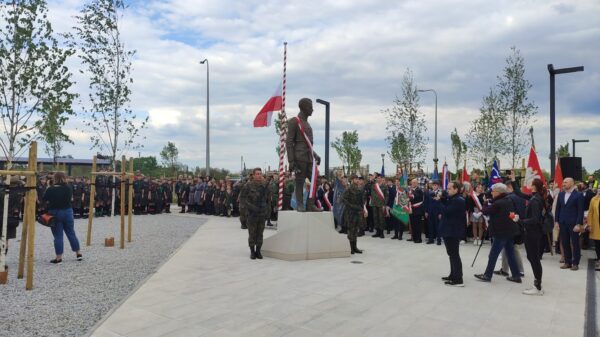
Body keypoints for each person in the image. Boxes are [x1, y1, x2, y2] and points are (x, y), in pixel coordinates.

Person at [474, 183, 522, 283]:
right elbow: (508, 212)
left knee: (493, 254)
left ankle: (487, 275)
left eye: (493, 191)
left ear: (499, 192)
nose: (491, 192)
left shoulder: (498, 203)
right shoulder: (508, 200)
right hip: (509, 231)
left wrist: (485, 203)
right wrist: (490, 201)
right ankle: (516, 275)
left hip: (501, 232)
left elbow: (485, 211)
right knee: (510, 253)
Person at [511, 177, 547, 295]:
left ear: (534, 186)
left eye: (530, 183)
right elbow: (519, 193)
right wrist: (513, 180)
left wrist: (520, 220)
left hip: (533, 233)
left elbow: (535, 219)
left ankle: (538, 287)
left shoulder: (535, 200)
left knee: (534, 259)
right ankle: (537, 285)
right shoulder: (534, 197)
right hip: (532, 232)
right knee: (532, 258)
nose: (528, 184)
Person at [43, 172, 82, 264]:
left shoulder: (50, 189)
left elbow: (44, 199)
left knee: (58, 236)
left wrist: (49, 186)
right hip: (68, 212)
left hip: (55, 212)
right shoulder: (68, 188)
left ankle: (58, 257)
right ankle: (78, 253)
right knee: (71, 233)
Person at [439, 181, 466, 287]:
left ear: (456, 189)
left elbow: (446, 211)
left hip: (453, 231)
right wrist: (442, 199)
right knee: (451, 254)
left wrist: (440, 202)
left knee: (454, 255)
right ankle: (453, 275)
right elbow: (447, 205)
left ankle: (459, 279)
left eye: (449, 188)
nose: (447, 190)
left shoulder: (459, 200)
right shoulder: (453, 199)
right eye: (448, 188)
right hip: (448, 230)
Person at [554, 177, 585, 271]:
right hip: (562, 222)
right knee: (565, 242)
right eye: (563, 182)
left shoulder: (579, 195)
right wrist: (556, 221)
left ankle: (575, 263)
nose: (563, 184)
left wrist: (578, 224)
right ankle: (567, 262)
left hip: (573, 223)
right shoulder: (561, 194)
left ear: (572, 183)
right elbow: (558, 209)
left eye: (565, 182)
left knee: (575, 243)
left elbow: (580, 211)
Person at [242, 168, 271, 260]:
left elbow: (268, 200)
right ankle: (252, 251)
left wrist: (267, 211)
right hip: (252, 213)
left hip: (262, 213)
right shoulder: (248, 185)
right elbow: (242, 199)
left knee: (260, 233)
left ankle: (258, 251)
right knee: (252, 233)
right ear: (253, 175)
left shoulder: (265, 185)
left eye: (260, 173)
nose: (259, 175)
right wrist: (251, 207)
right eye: (257, 174)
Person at [342, 174, 364, 254]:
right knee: (351, 230)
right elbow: (343, 199)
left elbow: (361, 201)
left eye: (358, 179)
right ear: (352, 180)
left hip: (357, 212)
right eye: (355, 179)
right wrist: (351, 206)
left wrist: (362, 209)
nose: (357, 180)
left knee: (355, 230)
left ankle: (355, 247)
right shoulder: (349, 189)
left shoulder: (359, 189)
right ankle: (350, 248)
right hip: (350, 212)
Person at [585, 188, 600, 271]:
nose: (599, 190)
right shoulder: (594, 199)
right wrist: (589, 224)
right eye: (599, 188)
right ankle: (599, 259)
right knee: (598, 244)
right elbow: (590, 213)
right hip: (597, 226)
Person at [370, 174, 388, 239]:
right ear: (376, 179)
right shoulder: (374, 186)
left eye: (380, 178)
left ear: (381, 179)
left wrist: (384, 204)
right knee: (375, 218)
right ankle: (377, 232)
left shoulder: (384, 186)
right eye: (377, 178)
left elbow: (386, 196)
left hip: (381, 205)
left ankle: (381, 233)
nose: (378, 179)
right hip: (374, 204)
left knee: (381, 219)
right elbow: (372, 194)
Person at [425, 180, 443, 245]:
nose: (434, 186)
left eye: (436, 185)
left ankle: (439, 240)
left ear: (438, 186)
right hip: (430, 211)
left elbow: (442, 204)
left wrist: (441, 213)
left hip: (437, 212)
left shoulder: (440, 193)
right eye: (433, 185)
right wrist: (426, 211)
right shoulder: (429, 192)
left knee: (438, 226)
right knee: (430, 226)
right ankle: (431, 239)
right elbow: (426, 203)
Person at [409, 178, 425, 243]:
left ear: (417, 183)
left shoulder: (419, 190)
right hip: (411, 210)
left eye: (415, 182)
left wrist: (409, 197)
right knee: (413, 225)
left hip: (418, 210)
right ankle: (414, 238)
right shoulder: (410, 191)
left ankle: (419, 239)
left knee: (417, 225)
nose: (413, 184)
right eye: (412, 183)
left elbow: (416, 196)